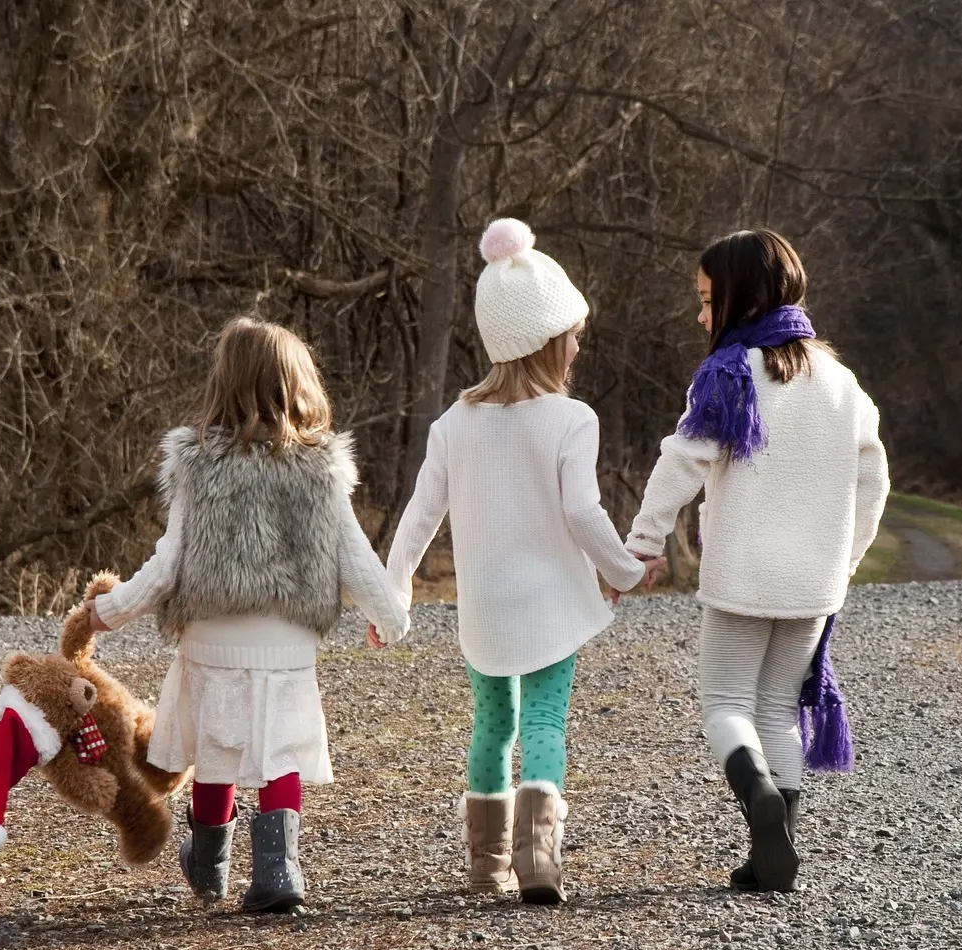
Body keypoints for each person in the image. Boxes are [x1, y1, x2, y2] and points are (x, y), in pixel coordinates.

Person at [86, 316, 407, 913]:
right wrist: (390, 618)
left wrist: (109, 610)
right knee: (278, 752)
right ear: (299, 385)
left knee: (217, 750)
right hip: (285, 645)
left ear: (223, 383)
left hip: (211, 640)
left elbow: (166, 564)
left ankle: (208, 862)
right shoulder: (320, 471)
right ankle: (278, 871)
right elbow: (357, 558)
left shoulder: (198, 466)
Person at [385, 218, 647, 904]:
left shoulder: (453, 424)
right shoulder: (571, 419)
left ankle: (484, 867)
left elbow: (419, 516)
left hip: (485, 612)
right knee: (543, 723)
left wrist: (395, 592)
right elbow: (585, 513)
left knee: (493, 726)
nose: (578, 346)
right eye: (573, 335)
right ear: (546, 341)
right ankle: (538, 860)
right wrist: (622, 571)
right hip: (551, 607)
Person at [624, 229, 889, 892]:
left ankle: (758, 797)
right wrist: (847, 559)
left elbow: (682, 462)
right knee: (776, 707)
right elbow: (873, 479)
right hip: (814, 582)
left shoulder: (729, 374)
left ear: (741, 299)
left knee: (723, 704)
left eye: (709, 300)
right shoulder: (841, 381)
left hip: (742, 575)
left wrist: (644, 543)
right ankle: (777, 848)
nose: (700, 315)